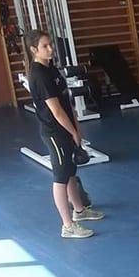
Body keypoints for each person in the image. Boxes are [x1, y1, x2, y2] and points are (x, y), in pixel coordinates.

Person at [24, 29, 104, 238]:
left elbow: (66, 102)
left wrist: (77, 127)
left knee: (70, 172)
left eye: (50, 44)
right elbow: (57, 111)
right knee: (61, 177)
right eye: (45, 46)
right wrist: (72, 132)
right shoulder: (39, 75)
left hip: (66, 128)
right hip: (54, 132)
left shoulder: (51, 69)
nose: (51, 49)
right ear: (34, 50)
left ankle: (79, 211)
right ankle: (67, 226)